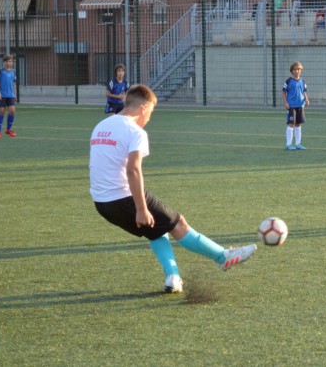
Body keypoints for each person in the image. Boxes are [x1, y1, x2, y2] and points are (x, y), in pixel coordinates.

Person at [89, 84, 257, 294]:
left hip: (101, 203)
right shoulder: (135, 131)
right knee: (178, 224)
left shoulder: (102, 125)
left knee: (156, 229)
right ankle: (223, 257)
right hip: (123, 197)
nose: (150, 117)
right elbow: (133, 170)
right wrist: (141, 208)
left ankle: (173, 277)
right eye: (151, 111)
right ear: (143, 107)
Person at [283, 61, 310, 150]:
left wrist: (306, 99)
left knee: (298, 124)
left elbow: (304, 91)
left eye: (298, 69)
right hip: (291, 106)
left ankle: (298, 144)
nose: (297, 71)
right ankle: (288, 144)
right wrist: (285, 102)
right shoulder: (288, 81)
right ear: (292, 71)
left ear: (301, 70)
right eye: (295, 69)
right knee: (292, 124)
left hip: (300, 105)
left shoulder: (303, 81)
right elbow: (284, 92)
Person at [0, 54, 17, 138]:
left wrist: (15, 93)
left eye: (10, 61)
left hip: (10, 95)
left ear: (12, 62)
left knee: (12, 111)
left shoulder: (14, 71)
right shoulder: (0, 71)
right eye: (6, 61)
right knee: (2, 112)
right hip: (2, 95)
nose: (8, 63)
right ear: (4, 62)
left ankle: (8, 130)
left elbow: (14, 83)